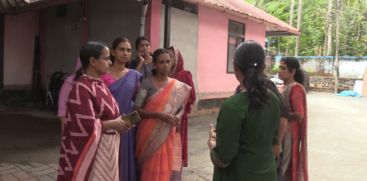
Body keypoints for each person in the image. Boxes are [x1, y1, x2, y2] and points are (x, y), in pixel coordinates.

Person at [57, 41, 133, 181]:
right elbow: (84, 125)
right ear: (92, 61)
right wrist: (112, 124)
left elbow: (108, 114)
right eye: (106, 58)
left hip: (109, 148)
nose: (110, 62)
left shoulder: (99, 84)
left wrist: (120, 122)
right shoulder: (81, 88)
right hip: (95, 152)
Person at [207, 41, 280, 181]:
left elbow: (223, 157)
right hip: (267, 174)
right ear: (263, 67)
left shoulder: (233, 106)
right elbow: (273, 140)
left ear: (235, 66)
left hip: (239, 174)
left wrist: (212, 143)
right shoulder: (274, 100)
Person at [134, 48, 191, 181]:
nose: (165, 65)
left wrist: (178, 116)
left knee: (166, 165)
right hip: (149, 133)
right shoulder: (147, 83)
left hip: (167, 132)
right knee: (150, 166)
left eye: (168, 61)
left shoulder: (177, 86)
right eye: (161, 62)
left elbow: (182, 107)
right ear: (154, 64)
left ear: (172, 63)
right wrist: (158, 115)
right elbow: (137, 108)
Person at [101, 37, 142, 181]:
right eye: (121, 49)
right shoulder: (102, 75)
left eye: (129, 50)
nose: (125, 53)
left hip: (127, 125)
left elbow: (138, 103)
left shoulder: (135, 76)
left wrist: (129, 122)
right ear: (113, 51)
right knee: (107, 161)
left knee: (124, 160)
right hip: (107, 126)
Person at [278, 57, 308, 181]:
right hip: (281, 132)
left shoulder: (296, 88)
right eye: (279, 67)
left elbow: (299, 114)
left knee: (285, 167)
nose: (279, 71)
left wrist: (281, 114)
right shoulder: (283, 87)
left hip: (289, 135)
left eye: (283, 68)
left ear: (292, 71)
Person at [167, 46, 196, 167]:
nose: (168, 60)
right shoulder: (163, 75)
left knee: (176, 146)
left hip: (179, 117)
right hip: (163, 115)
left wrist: (178, 106)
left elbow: (192, 96)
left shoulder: (184, 75)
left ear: (177, 59)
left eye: (171, 57)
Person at [57, 58, 81, 133]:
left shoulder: (100, 83)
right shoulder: (70, 82)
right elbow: (63, 110)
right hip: (74, 127)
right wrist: (64, 133)